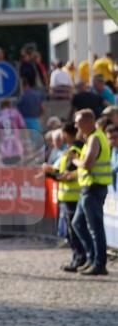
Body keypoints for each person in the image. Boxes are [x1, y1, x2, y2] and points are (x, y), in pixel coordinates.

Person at [71, 109, 112, 276]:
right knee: (78, 223)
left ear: (88, 122)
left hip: (94, 189)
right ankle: (91, 258)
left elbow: (87, 164)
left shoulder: (95, 138)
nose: (75, 125)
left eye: (78, 122)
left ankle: (99, 264)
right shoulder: (91, 138)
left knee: (95, 228)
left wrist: (75, 160)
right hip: (88, 188)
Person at [42, 122, 84, 272]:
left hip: (73, 197)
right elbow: (63, 171)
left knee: (74, 231)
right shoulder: (69, 150)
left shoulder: (75, 150)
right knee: (70, 231)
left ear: (66, 134)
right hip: (67, 196)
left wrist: (48, 173)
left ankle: (79, 259)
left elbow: (67, 175)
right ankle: (77, 258)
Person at [0, 98, 26, 164]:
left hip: (4, 147)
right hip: (16, 146)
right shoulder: (15, 113)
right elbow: (22, 126)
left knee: (7, 166)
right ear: (10, 105)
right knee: (17, 166)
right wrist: (26, 139)